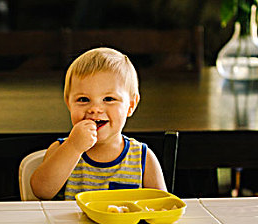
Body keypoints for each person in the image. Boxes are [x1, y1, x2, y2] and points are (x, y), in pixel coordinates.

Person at [31, 47, 167, 200]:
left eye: (109, 99)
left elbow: (161, 206)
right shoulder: (61, 150)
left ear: (131, 105)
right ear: (69, 104)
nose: (95, 109)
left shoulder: (142, 157)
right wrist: (74, 147)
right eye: (83, 100)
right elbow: (41, 191)